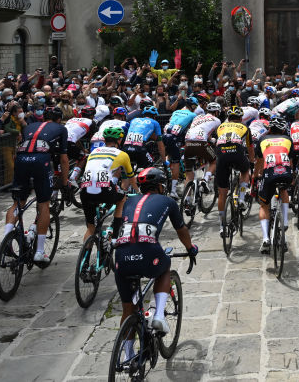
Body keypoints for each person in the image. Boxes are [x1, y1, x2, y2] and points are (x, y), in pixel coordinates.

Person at [114, 167, 197, 344]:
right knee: (164, 266)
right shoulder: (168, 201)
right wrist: (190, 248)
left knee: (128, 310)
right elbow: (181, 230)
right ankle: (159, 315)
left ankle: (127, 356)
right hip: (148, 253)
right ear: (160, 186)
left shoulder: (128, 201)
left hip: (121, 257)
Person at [7, 106, 67, 265]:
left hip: (21, 159)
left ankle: (6, 239)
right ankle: (39, 252)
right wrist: (65, 182)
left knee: (18, 202)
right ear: (59, 119)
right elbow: (63, 159)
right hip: (41, 160)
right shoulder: (61, 128)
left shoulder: (29, 126)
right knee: (43, 204)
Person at [77, 126, 133, 242]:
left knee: (91, 228)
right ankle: (115, 238)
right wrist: (138, 192)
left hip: (85, 191)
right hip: (104, 190)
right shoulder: (121, 154)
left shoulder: (94, 152)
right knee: (121, 199)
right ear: (119, 140)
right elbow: (131, 177)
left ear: (104, 140)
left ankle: (85, 259)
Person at [255, 117, 293, 254]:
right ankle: (286, 221)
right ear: (283, 129)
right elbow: (291, 159)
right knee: (284, 190)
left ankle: (266, 238)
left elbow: (259, 161)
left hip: (269, 173)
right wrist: (292, 178)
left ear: (269, 129)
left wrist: (256, 175)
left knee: (264, 204)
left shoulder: (262, 139)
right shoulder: (288, 139)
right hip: (286, 172)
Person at [214, 106, 252, 236]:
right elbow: (250, 147)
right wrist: (251, 162)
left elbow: (216, 142)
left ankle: (221, 225)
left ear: (228, 118)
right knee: (245, 171)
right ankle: (241, 198)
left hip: (222, 154)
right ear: (241, 119)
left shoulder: (220, 127)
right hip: (236, 151)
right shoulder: (245, 128)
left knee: (222, 193)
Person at [121, 105, 165, 171]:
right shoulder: (155, 123)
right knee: (150, 168)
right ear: (154, 116)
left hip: (125, 147)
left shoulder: (134, 120)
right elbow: (160, 144)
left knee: (127, 171)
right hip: (139, 149)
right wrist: (164, 161)